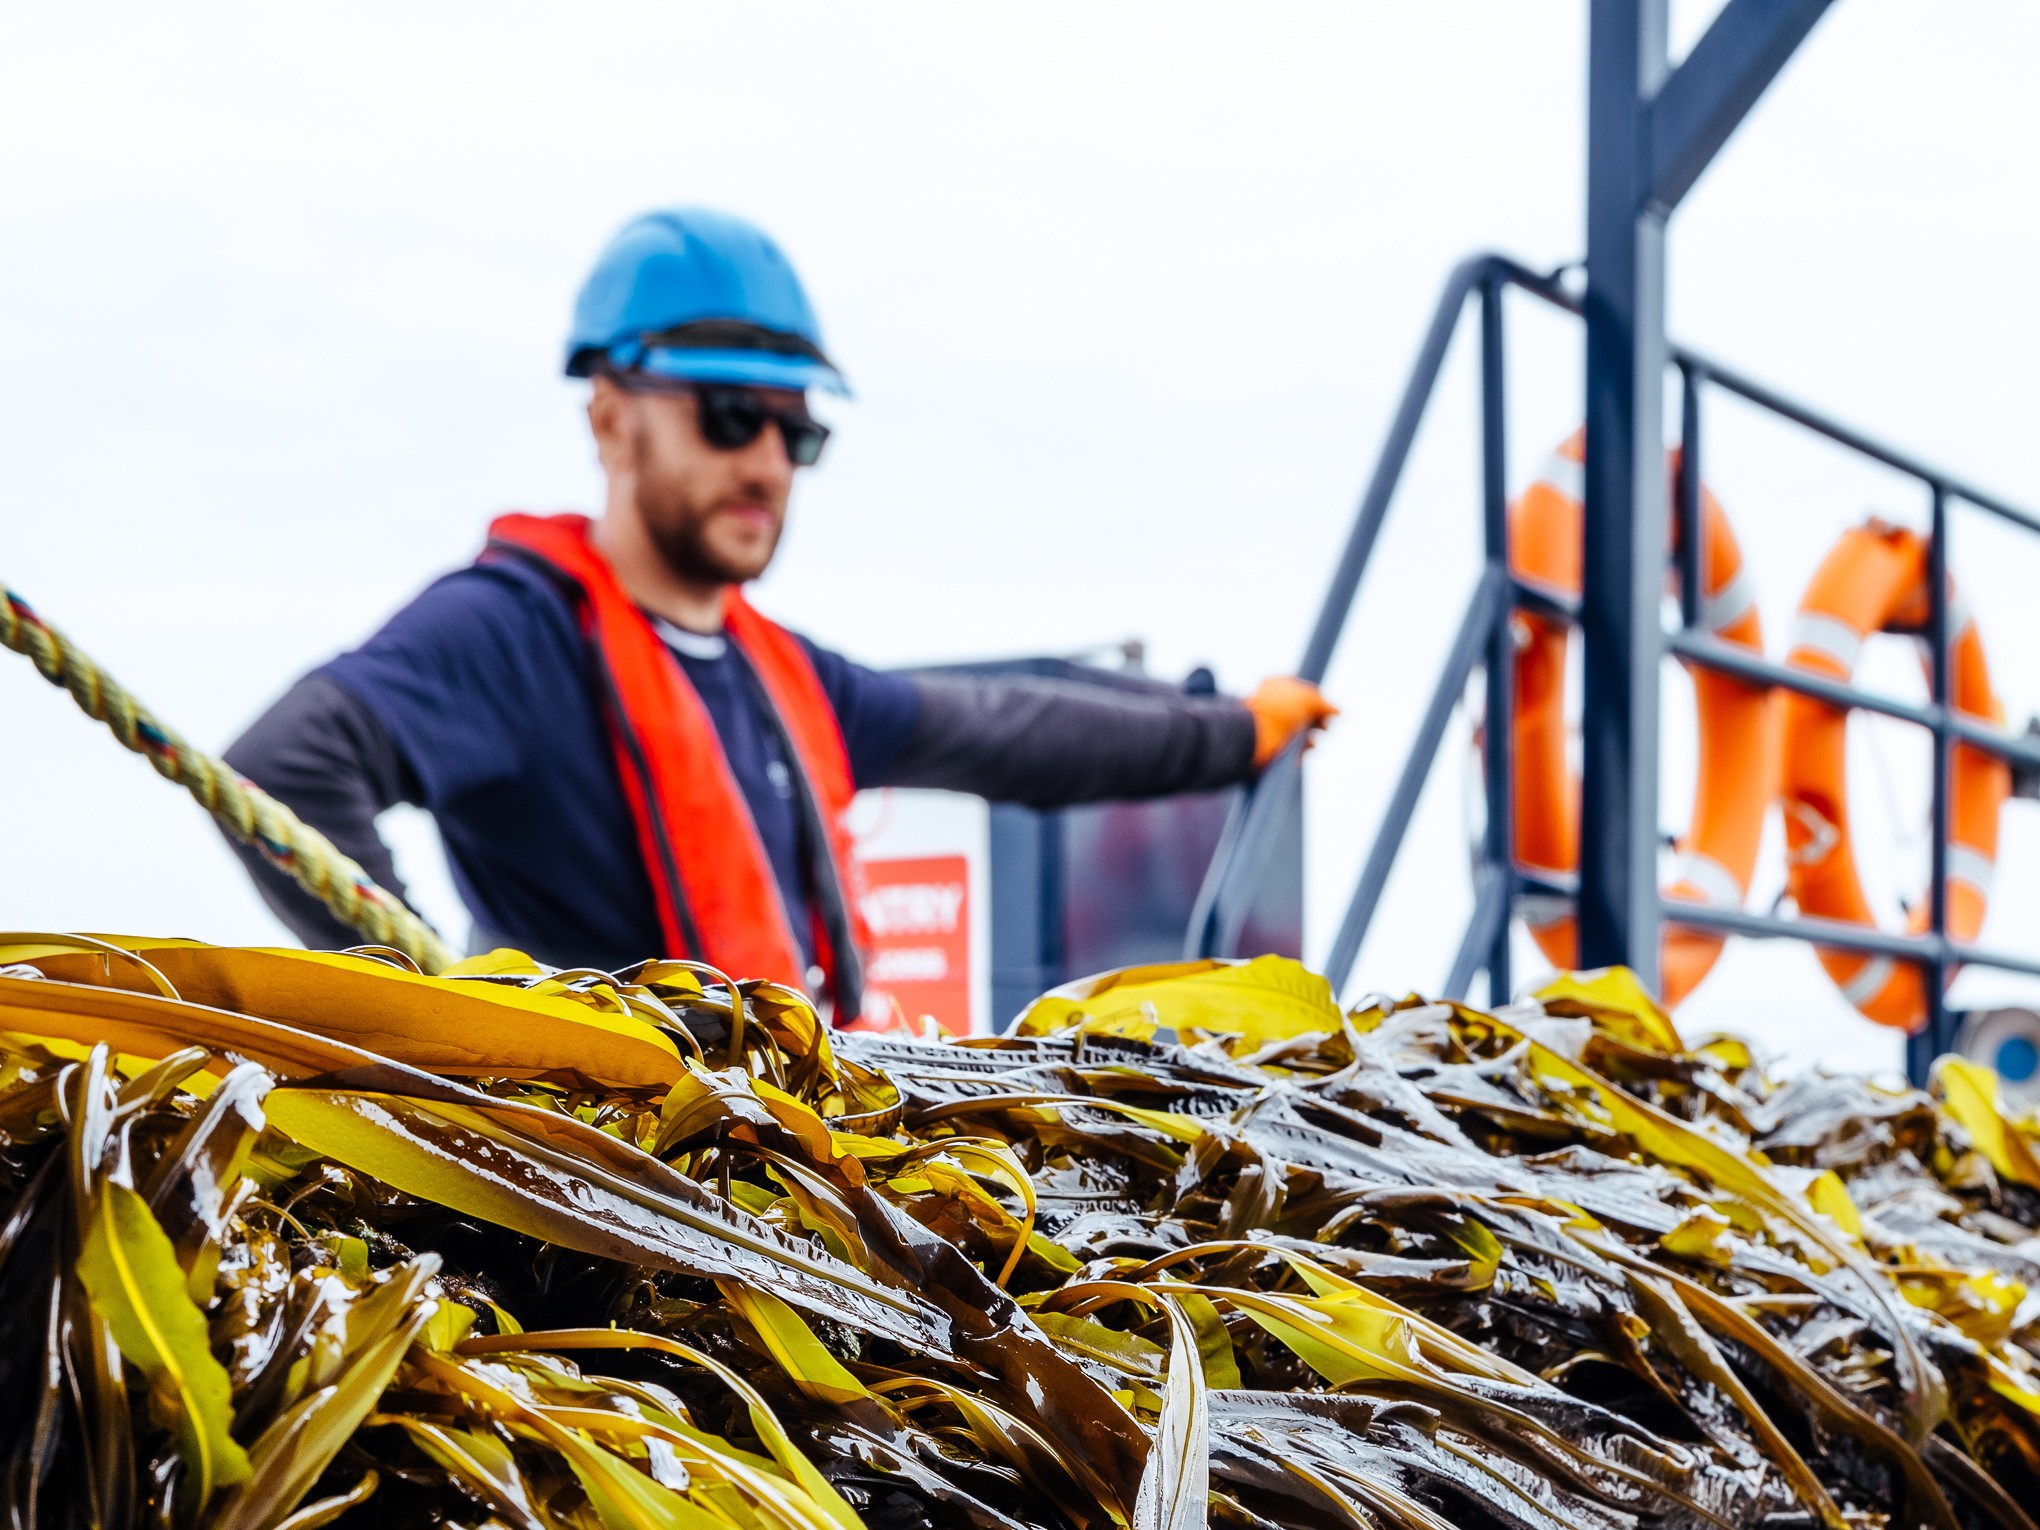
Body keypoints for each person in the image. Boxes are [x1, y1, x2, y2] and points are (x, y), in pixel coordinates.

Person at [224, 208, 1336, 1019]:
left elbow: (1008, 732)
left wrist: (1239, 729)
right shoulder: (513, 635)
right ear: (611, 419)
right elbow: (285, 764)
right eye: (727, 416)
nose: (766, 461)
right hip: (594, 1178)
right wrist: (444, 1010)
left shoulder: (783, 680)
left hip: (768, 1164)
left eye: (795, 433)